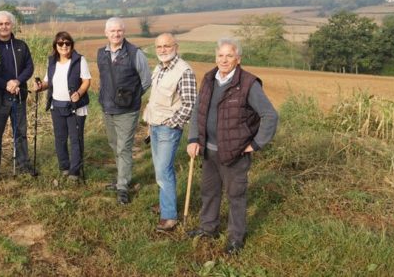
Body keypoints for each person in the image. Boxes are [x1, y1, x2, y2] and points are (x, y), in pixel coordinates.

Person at [186, 37, 278, 255]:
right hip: (208, 150)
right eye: (220, 55)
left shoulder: (248, 83)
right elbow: (198, 111)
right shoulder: (209, 79)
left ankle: (236, 237)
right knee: (209, 192)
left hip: (235, 154)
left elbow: (270, 115)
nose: (224, 60)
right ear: (215, 57)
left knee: (236, 196)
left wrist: (256, 144)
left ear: (238, 59)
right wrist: (192, 139)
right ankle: (208, 228)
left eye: (229, 56)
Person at [142, 33, 196, 232]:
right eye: (159, 47)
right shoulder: (160, 68)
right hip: (155, 126)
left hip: (167, 128)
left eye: (167, 46)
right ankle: (166, 204)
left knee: (164, 171)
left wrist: (171, 123)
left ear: (176, 47)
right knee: (160, 169)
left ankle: (170, 217)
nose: (163, 50)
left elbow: (190, 104)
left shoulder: (184, 71)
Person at [97, 17, 152, 204]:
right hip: (108, 109)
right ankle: (123, 177)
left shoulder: (135, 53)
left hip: (127, 111)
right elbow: (104, 81)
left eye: (119, 30)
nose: (116, 34)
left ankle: (123, 186)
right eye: (112, 31)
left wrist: (132, 98)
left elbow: (146, 80)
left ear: (124, 32)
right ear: (106, 33)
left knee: (124, 147)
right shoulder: (101, 53)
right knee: (114, 145)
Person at [0, 10, 37, 180]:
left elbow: (29, 67)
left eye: (7, 23)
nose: (4, 27)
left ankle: (23, 164)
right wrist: (5, 84)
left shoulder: (21, 45)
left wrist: (17, 81)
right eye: (0, 24)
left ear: (12, 25)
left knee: (20, 133)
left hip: (18, 96)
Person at [33, 31, 91, 183]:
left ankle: (74, 171)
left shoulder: (79, 60)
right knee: (60, 139)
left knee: (75, 139)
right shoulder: (51, 61)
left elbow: (86, 81)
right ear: (55, 46)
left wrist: (79, 92)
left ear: (71, 45)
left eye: (67, 43)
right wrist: (40, 86)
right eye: (60, 43)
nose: (64, 46)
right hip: (56, 105)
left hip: (75, 107)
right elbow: (47, 82)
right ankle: (64, 167)